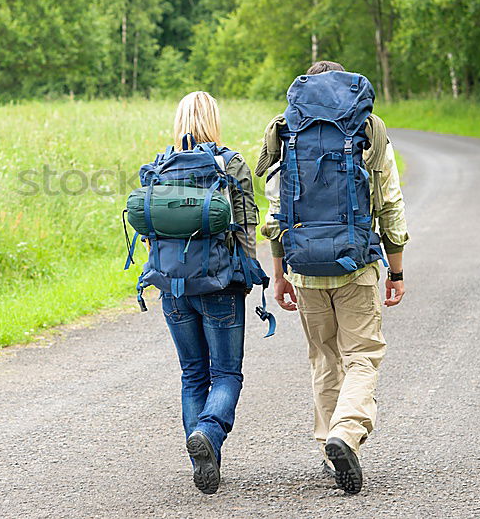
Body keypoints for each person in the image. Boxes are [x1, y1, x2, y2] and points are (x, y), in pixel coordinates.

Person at [256, 60, 409, 494]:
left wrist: (280, 271)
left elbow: (275, 210)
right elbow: (390, 202)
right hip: (356, 264)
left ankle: (329, 447)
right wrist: (396, 268)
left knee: (324, 357)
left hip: (303, 267)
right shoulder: (368, 127)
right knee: (362, 355)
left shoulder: (285, 130)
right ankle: (346, 432)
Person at [161, 91, 259, 495]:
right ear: (214, 120)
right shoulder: (230, 164)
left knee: (193, 374)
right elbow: (247, 227)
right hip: (221, 284)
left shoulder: (160, 166)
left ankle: (202, 454)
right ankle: (208, 434)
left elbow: (153, 237)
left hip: (174, 288)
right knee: (226, 373)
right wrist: (250, 275)